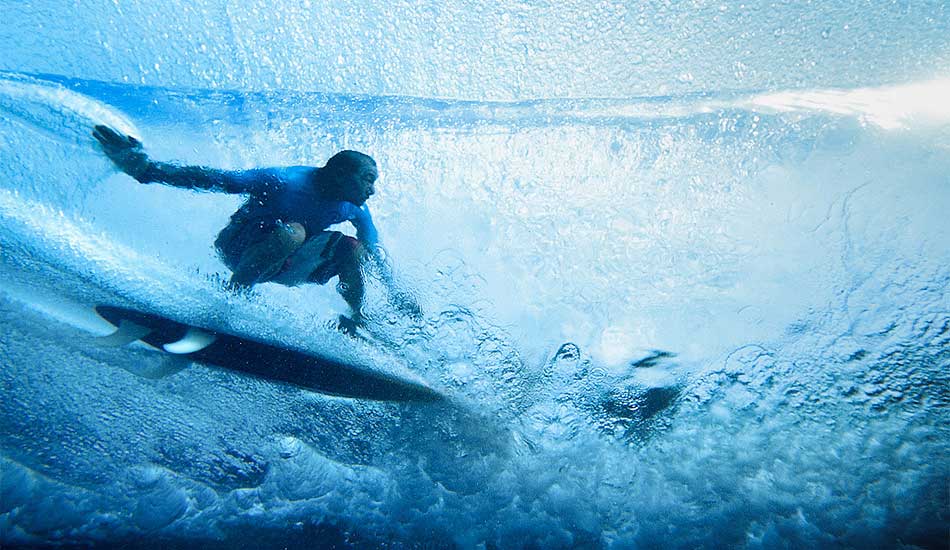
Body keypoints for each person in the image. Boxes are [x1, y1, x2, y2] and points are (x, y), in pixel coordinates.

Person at [92, 124, 419, 336]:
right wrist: (147, 170)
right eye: (367, 180)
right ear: (339, 174)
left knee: (354, 249)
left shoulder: (354, 208)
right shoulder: (284, 181)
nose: (372, 191)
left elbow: (374, 253)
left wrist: (397, 295)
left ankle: (356, 320)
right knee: (293, 232)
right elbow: (214, 179)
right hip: (240, 249)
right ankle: (226, 306)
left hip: (286, 261)